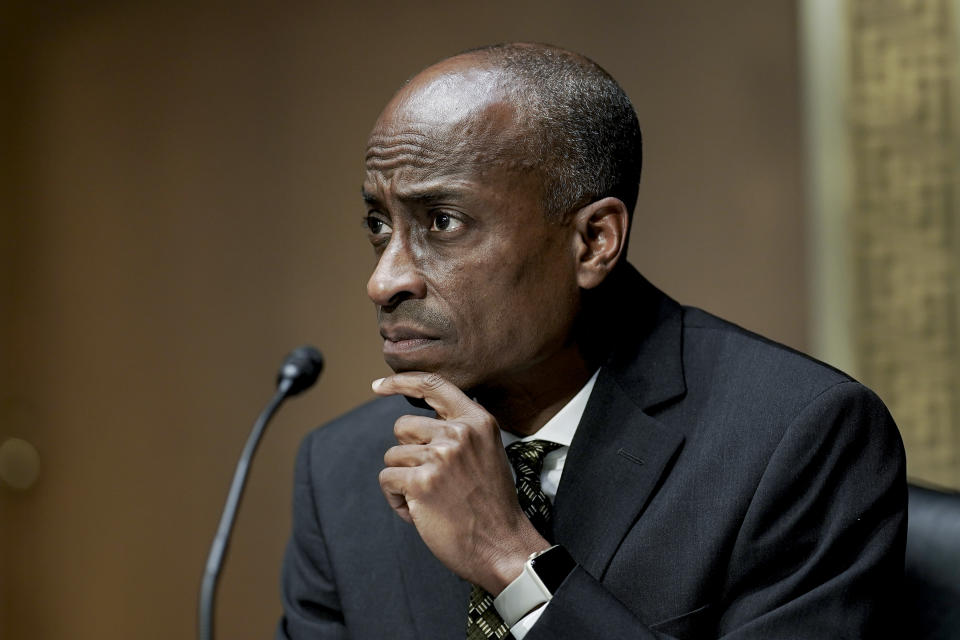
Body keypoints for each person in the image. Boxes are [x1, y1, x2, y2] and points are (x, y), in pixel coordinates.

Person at [277, 43, 906, 639]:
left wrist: (511, 558)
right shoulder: (342, 471)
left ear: (594, 241)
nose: (383, 279)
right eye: (378, 225)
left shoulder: (798, 438)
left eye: (442, 222)